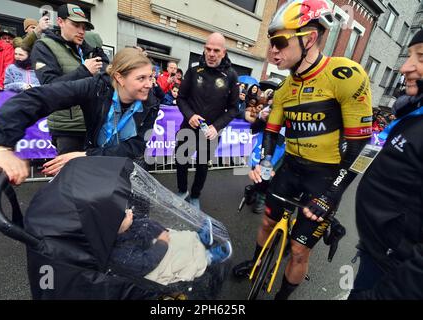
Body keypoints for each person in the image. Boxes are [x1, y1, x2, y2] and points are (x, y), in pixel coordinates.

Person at [232, 0, 372, 300]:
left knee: (298, 250)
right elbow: (270, 132)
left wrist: (332, 193)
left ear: (309, 38)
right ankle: (257, 263)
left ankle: (283, 296)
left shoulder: (345, 75)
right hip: (291, 168)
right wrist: (266, 161)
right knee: (268, 221)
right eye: (271, 42)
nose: (272, 50)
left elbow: (363, 148)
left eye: (280, 41)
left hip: (325, 177)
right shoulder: (283, 89)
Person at [0, 47, 159, 185]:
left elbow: (136, 146)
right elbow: (39, 98)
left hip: (130, 166)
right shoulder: (96, 87)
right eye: (141, 78)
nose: (149, 84)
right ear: (120, 78)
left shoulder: (151, 103)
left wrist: (86, 155)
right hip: (97, 164)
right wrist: (1, 145)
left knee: (134, 219)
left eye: (151, 77)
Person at [348, 29, 423, 300]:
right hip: (378, 251)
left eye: (421, 57)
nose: (405, 66)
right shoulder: (411, 115)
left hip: (393, 273)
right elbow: (366, 159)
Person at [31, 3, 109, 154]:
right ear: (60, 22)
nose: (81, 31)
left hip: (94, 124)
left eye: (84, 27)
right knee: (70, 174)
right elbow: (49, 88)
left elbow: (107, 75)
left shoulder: (88, 49)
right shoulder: (44, 46)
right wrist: (84, 71)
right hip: (68, 128)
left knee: (92, 173)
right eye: (75, 25)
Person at [175, 32, 239, 209]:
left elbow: (234, 108)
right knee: (181, 160)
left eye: (216, 50)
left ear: (223, 52)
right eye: (208, 49)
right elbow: (181, 98)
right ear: (204, 49)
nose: (211, 54)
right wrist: (190, 115)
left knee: (202, 166)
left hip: (211, 133)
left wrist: (216, 126)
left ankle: (195, 195)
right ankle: (182, 191)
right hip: (188, 126)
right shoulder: (194, 70)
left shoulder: (232, 75)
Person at [110, 209, 232, 285]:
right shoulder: (118, 254)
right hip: (154, 263)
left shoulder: (125, 228)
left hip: (149, 243)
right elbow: (144, 264)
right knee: (181, 258)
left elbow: (147, 226)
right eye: (125, 215)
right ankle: (206, 258)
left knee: (178, 237)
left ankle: (198, 239)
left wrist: (157, 232)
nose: (129, 212)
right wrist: (161, 243)